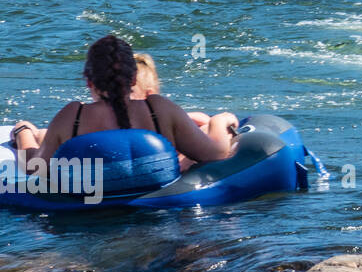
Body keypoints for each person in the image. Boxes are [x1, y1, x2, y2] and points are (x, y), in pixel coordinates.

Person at [8, 35, 235, 175]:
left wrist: (22, 132)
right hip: (158, 217)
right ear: (134, 79)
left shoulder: (72, 116)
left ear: (88, 80)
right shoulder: (158, 110)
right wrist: (220, 119)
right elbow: (214, 154)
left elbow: (34, 168)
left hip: (91, 219)